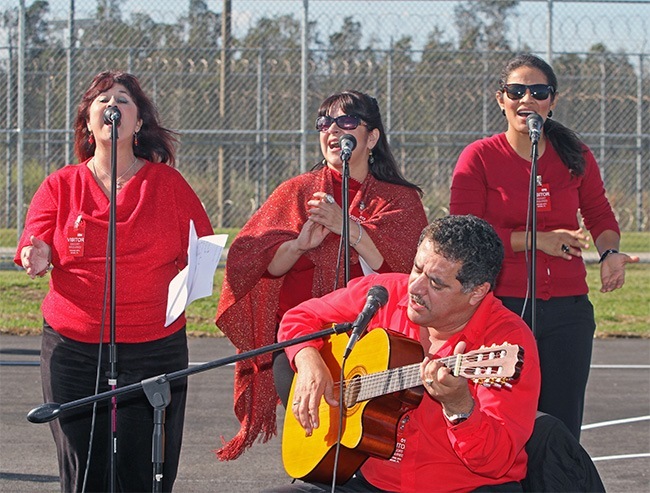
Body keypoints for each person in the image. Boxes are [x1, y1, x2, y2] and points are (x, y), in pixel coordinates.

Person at [15, 70, 214, 492]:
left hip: (154, 347)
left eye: (123, 99)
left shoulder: (168, 185)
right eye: (102, 99)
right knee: (84, 469)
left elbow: (202, 249)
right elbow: (35, 241)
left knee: (147, 469)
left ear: (139, 123)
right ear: (88, 121)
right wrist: (39, 254)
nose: (112, 106)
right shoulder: (60, 185)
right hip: (74, 349)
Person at [215, 90, 428, 460]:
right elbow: (254, 259)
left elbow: (407, 269)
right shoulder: (297, 193)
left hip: (380, 348)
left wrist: (349, 227)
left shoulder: (400, 200)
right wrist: (298, 245)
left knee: (368, 447)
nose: (333, 130)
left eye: (347, 122)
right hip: (302, 345)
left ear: (371, 137)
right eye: (324, 122)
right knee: (320, 448)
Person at [266, 215, 541, 493]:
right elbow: (299, 317)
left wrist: (459, 408)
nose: (415, 288)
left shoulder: (505, 342)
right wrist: (309, 362)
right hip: (371, 484)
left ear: (477, 292)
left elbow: (495, 462)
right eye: (416, 268)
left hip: (462, 488)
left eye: (436, 283)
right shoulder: (384, 294)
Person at [449, 53, 640, 440]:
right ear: (500, 98)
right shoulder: (479, 158)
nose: (527, 100)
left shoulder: (576, 155)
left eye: (538, 92)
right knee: (500, 419)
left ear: (552, 101)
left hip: (568, 309)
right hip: (500, 305)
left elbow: (601, 215)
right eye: (517, 91)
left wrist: (609, 254)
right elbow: (464, 234)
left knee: (561, 424)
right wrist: (536, 241)